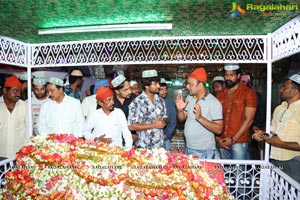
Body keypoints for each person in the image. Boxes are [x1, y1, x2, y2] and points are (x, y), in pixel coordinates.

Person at [253, 73, 300, 183]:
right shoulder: (280, 108)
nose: (281, 90)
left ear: (295, 91)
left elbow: (279, 141)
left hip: (294, 161)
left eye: (285, 87)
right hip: (274, 158)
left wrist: (281, 143)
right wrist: (263, 135)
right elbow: (272, 132)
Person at [176, 68, 223, 159]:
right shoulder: (190, 97)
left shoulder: (214, 102)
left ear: (200, 85)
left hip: (204, 151)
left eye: (190, 84)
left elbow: (219, 129)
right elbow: (182, 119)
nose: (187, 87)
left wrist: (200, 118)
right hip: (189, 147)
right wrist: (180, 110)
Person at [216, 64, 257, 160]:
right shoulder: (220, 93)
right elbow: (217, 117)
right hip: (223, 140)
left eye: (231, 75)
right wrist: (218, 137)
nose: (228, 78)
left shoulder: (248, 92)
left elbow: (249, 119)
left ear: (238, 76)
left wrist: (233, 139)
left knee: (239, 173)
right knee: (226, 173)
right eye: (226, 75)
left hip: (239, 141)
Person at [128, 70, 167, 149]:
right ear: (146, 86)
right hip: (144, 147)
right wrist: (154, 125)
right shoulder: (137, 102)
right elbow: (131, 126)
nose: (158, 86)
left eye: (158, 83)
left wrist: (164, 121)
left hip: (160, 145)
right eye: (155, 83)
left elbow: (165, 117)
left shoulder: (161, 100)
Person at [0, 75, 29, 159]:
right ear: (5, 90)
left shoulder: (25, 106)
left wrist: (25, 149)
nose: (18, 94)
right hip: (1, 153)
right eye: (15, 91)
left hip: (20, 153)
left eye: (19, 91)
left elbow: (28, 130)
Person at [158, 78, 177, 151]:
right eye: (161, 89)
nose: (164, 91)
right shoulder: (152, 102)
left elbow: (173, 121)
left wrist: (166, 135)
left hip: (166, 139)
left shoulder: (170, 102)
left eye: (165, 89)